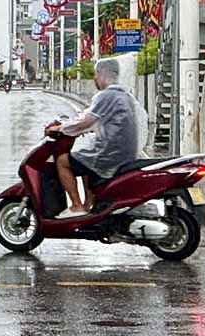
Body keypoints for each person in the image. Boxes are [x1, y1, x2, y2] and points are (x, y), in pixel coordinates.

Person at [45, 58, 139, 218]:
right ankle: (89, 204)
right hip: (125, 152)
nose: (94, 78)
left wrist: (59, 128)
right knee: (84, 157)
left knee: (62, 161)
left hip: (110, 153)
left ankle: (76, 206)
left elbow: (85, 121)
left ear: (102, 75)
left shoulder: (106, 96)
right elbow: (93, 118)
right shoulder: (125, 95)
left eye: (95, 74)